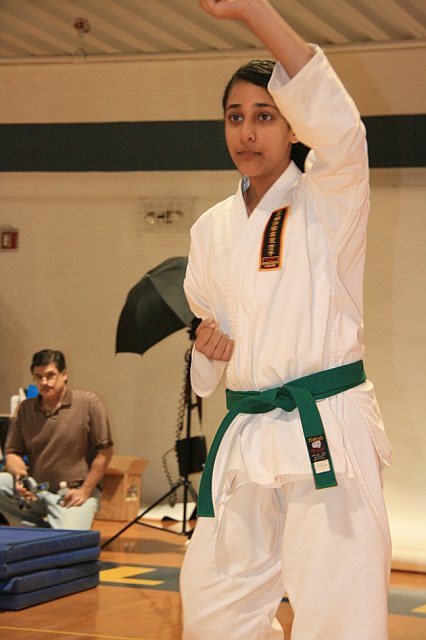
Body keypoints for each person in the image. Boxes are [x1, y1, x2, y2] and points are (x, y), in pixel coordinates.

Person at [180, 1, 392, 639]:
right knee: (213, 612)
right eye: (235, 117)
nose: (247, 132)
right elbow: (210, 365)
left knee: (339, 617)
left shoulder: (330, 196)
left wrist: (254, 12)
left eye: (265, 116)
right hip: (247, 434)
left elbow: (343, 129)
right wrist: (207, 352)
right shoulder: (211, 229)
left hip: (324, 425)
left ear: (296, 127)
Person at [0, 349, 113, 530]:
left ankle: (48, 534)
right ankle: (37, 532)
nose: (44, 382)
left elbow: (105, 452)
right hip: (36, 489)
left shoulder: (89, 404)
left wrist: (85, 490)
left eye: (50, 375)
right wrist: (20, 478)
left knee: (68, 540)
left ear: (64, 375)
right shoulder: (25, 409)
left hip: (72, 493)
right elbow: (13, 453)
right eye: (38, 377)